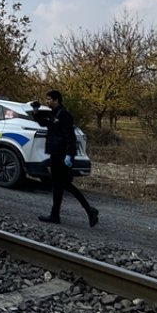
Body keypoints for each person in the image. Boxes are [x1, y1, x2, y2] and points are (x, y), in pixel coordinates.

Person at [35, 91, 99, 228]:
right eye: (46, 99)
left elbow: (70, 137)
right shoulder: (54, 114)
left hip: (62, 156)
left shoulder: (63, 115)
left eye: (49, 99)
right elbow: (45, 124)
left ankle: (88, 211)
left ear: (56, 100)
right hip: (55, 154)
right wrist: (36, 111)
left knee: (62, 185)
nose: (47, 101)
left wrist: (69, 155)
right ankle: (58, 214)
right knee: (59, 186)